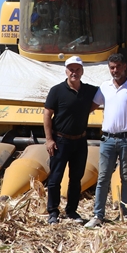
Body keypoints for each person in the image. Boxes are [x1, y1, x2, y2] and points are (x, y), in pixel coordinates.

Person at [85, 53, 127, 228]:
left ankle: (125, 213)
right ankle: (98, 215)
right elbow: (91, 107)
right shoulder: (104, 87)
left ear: (124, 66)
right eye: (112, 67)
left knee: (126, 177)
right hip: (108, 140)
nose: (115, 70)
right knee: (103, 177)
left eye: (118, 66)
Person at [43, 55, 99, 224]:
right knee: (55, 178)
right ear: (66, 71)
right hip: (60, 141)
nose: (74, 72)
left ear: (82, 71)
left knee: (76, 178)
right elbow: (47, 114)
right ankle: (53, 211)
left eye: (77, 70)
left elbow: (104, 94)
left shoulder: (90, 91)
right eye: (71, 69)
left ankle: (72, 211)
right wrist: (49, 139)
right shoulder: (56, 91)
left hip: (80, 142)